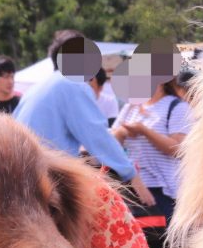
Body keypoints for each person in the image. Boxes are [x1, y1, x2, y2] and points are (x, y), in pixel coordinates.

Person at [13, 29, 151, 204]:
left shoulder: (35, 89)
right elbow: (98, 137)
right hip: (49, 185)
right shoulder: (72, 83)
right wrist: (131, 175)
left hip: (22, 184)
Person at [112, 73, 198, 248]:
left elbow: (178, 147)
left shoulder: (176, 107)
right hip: (131, 191)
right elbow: (110, 141)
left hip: (162, 194)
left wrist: (145, 132)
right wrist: (122, 133)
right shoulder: (131, 106)